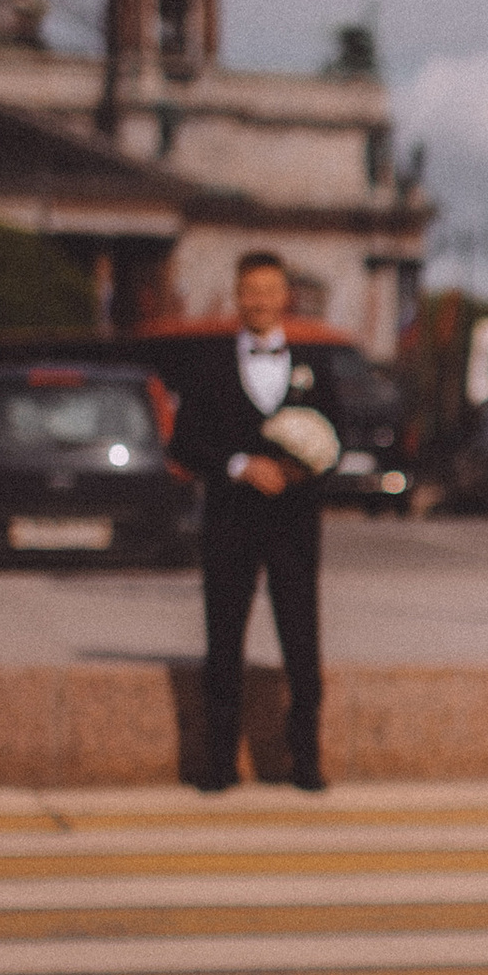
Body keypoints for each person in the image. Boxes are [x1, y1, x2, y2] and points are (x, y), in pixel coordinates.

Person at [159, 251, 331, 794]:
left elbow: (338, 442)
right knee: (224, 640)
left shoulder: (314, 364)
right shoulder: (209, 365)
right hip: (230, 522)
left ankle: (305, 760)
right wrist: (239, 465)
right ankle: (219, 763)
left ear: (285, 297)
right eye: (250, 291)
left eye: (269, 291)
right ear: (238, 296)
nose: (260, 301)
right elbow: (183, 443)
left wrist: (294, 470)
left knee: (301, 639)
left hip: (293, 525)